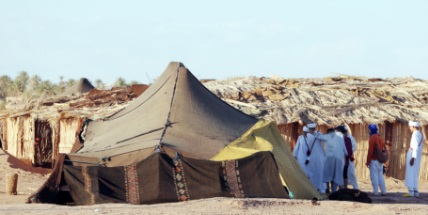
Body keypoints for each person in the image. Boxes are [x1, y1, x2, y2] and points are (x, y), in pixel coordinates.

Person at [317, 128, 346, 193]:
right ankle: (335, 191)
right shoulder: (339, 137)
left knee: (328, 174)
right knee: (337, 175)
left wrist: (317, 133)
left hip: (330, 159)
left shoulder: (327, 137)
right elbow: (344, 148)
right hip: (339, 159)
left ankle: (330, 190)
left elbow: (318, 137)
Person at [404, 121, 424, 197]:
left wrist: (413, 157)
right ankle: (415, 191)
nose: (410, 128)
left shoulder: (415, 134)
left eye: (410, 126)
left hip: (413, 154)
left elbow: (415, 146)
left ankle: (411, 192)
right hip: (417, 155)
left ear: (413, 126)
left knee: (410, 172)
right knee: (415, 172)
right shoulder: (420, 134)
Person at [365, 124, 387, 196]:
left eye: (369, 129)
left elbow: (370, 151)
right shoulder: (379, 137)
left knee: (374, 176)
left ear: (371, 130)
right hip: (380, 160)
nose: (368, 131)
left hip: (374, 160)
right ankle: (383, 191)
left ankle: (375, 191)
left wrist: (368, 162)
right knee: (380, 176)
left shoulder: (372, 138)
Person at [306, 123, 326, 194]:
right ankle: (321, 189)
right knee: (320, 173)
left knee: (312, 174)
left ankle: (313, 189)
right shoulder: (318, 134)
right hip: (320, 158)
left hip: (311, 158)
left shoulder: (307, 136)